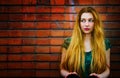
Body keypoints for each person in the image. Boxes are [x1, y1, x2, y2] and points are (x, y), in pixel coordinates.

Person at [60, 7, 111, 78]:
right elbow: (62, 69)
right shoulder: (68, 43)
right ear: (79, 23)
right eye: (83, 20)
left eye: (90, 20)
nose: (86, 24)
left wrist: (99, 77)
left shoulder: (105, 43)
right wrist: (68, 75)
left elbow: (107, 69)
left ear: (95, 22)